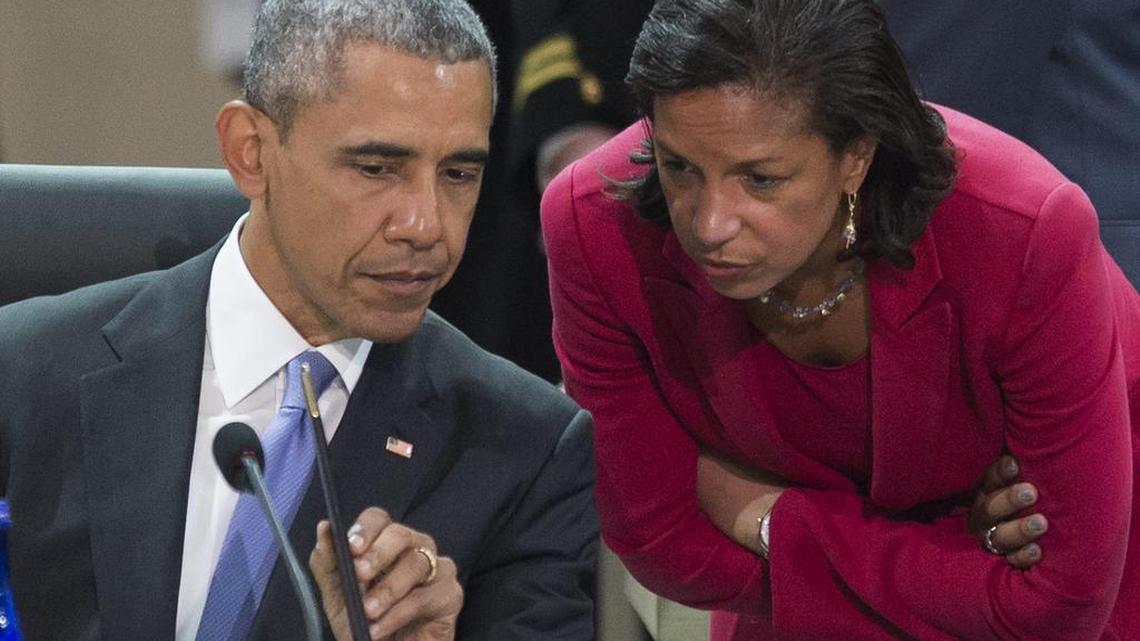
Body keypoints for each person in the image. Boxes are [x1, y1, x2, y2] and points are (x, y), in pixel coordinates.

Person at [541, 1, 1139, 639]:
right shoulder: (593, 224)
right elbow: (661, 544)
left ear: (857, 155)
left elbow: (1057, 606)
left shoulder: (1022, 229)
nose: (709, 224)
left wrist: (770, 520)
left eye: (762, 180)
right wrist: (952, 561)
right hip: (917, 591)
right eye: (679, 166)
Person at [0, 1, 597, 640]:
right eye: (377, 168)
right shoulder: (25, 373)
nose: (428, 226)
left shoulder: (528, 451)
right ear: (250, 152)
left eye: (458, 174)